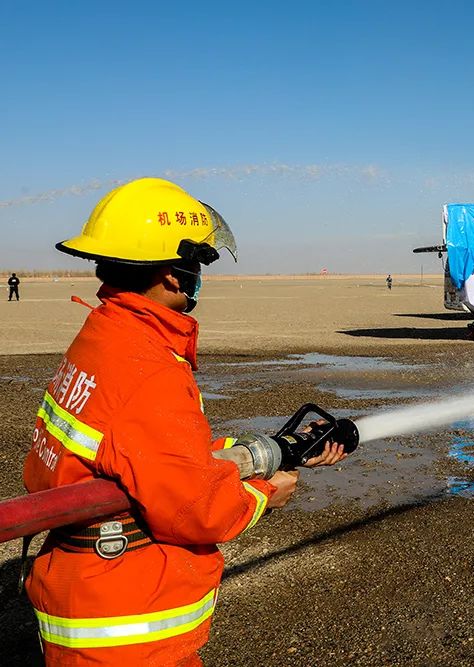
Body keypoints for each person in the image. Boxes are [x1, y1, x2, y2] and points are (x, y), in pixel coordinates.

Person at [21, 177, 348, 666]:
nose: (197, 278)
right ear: (174, 275)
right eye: (196, 265)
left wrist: (256, 449)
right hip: (127, 618)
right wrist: (263, 494)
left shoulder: (106, 336)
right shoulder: (147, 366)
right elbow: (196, 510)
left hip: (83, 583)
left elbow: (135, 449)